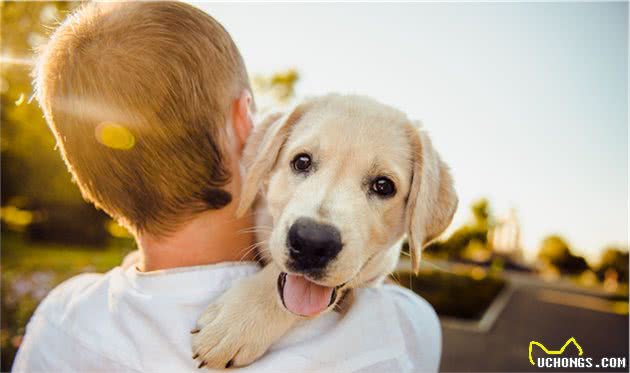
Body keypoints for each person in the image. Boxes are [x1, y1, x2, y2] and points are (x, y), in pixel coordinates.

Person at [12, 2, 441, 372]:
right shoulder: (399, 333)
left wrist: (270, 299)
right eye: (303, 163)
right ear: (247, 123)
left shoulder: (60, 321)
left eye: (381, 186)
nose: (318, 222)